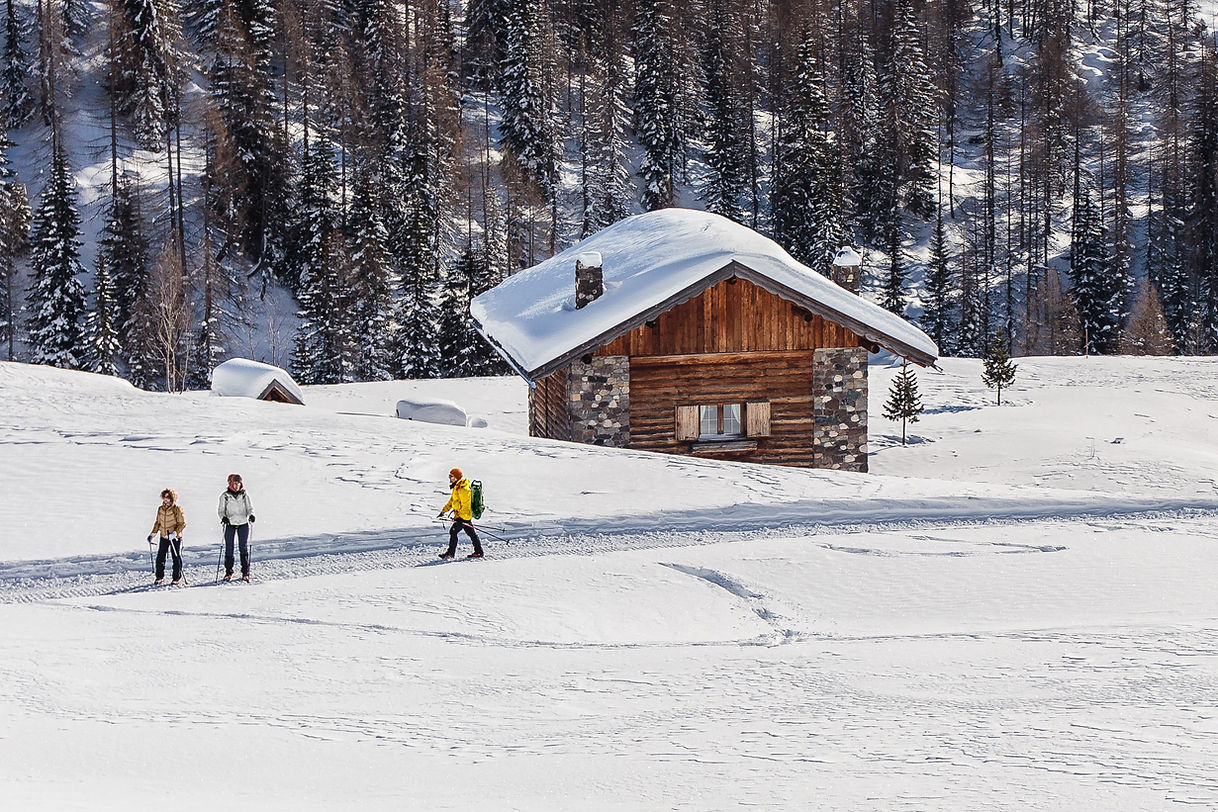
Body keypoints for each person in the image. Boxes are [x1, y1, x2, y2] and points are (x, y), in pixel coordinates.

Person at [437, 468, 483, 559]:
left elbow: (466, 505)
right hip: (462, 516)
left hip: (463, 516)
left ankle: (450, 553)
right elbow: (452, 501)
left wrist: (461, 518)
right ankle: (479, 551)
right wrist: (443, 511)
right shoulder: (456, 487)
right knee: (471, 534)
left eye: (451, 476)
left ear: (456, 477)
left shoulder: (463, 489)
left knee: (453, 532)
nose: (449, 478)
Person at [218, 473, 256, 582]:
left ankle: (245, 572)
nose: (236, 486)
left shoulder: (244, 494)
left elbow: (249, 507)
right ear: (230, 483)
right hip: (230, 524)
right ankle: (228, 572)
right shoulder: (225, 496)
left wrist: (251, 515)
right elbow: (221, 510)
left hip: (243, 523)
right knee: (229, 548)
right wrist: (223, 517)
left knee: (243, 547)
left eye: (238, 483)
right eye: (234, 483)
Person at [148, 488, 187, 585]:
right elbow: (158, 523)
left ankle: (176, 578)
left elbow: (182, 523)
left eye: (168, 497)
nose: (165, 499)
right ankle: (159, 577)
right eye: (164, 497)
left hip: (174, 537)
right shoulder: (161, 509)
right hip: (164, 536)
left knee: (176, 557)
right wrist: (153, 534)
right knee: (160, 557)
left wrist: (175, 533)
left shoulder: (177, 509)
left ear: (172, 498)